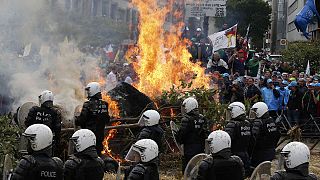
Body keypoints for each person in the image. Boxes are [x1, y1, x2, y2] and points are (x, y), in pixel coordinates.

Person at [75, 82, 110, 156]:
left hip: (88, 136)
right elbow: (107, 120)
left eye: (88, 91)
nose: (87, 93)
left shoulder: (87, 104)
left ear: (93, 90)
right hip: (100, 136)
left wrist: (76, 119)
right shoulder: (105, 104)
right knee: (98, 155)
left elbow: (81, 120)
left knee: (86, 156)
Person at [25, 90, 62, 155]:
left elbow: (27, 124)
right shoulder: (55, 113)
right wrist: (57, 144)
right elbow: (57, 130)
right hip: (48, 142)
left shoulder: (34, 110)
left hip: (33, 141)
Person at [176, 97, 207, 173]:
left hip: (189, 149)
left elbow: (182, 135)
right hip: (200, 148)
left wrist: (177, 136)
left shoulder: (186, 119)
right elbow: (206, 133)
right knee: (198, 169)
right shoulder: (202, 118)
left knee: (188, 170)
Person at [225, 102, 252, 177]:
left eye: (231, 111)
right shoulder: (247, 123)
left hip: (233, 155)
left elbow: (226, 141)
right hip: (245, 154)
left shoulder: (232, 125)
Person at [250, 102, 281, 167]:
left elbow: (253, 138)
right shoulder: (271, 120)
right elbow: (278, 134)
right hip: (271, 150)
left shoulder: (258, 122)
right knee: (266, 170)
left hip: (260, 152)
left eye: (255, 111)